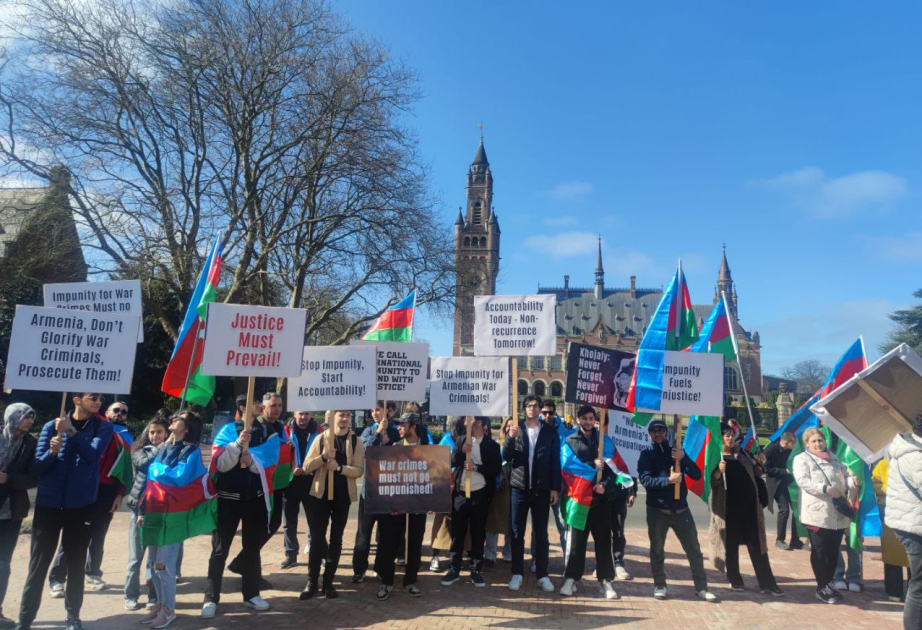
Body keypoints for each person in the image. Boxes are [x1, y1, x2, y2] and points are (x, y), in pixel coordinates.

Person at [16, 392, 114, 630]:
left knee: (76, 564)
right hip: (48, 506)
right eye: (93, 397)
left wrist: (71, 432)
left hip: (80, 507)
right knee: (37, 566)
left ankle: (73, 617)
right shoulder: (52, 426)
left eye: (101, 398)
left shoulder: (103, 427)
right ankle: (25, 619)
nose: (98, 401)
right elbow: (37, 469)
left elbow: (92, 457)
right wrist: (51, 452)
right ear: (76, 400)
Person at [202, 399, 276, 618]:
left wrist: (252, 460)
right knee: (219, 549)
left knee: (252, 549)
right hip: (227, 500)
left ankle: (251, 595)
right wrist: (236, 446)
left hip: (255, 499)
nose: (260, 405)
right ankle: (211, 598)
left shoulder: (267, 431)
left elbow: (270, 461)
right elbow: (220, 464)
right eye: (255, 402)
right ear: (243, 407)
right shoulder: (226, 431)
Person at [48, 396, 127, 596]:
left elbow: (125, 470)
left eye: (124, 412)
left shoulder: (126, 438)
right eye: (116, 410)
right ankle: (57, 578)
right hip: (83, 486)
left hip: (107, 491)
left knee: (98, 534)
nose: (119, 414)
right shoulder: (92, 427)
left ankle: (93, 574)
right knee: (73, 534)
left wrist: (119, 494)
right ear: (107, 413)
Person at [637, 418, 717, 602]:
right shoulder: (646, 455)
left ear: (667, 433)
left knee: (694, 550)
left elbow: (696, 474)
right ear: (650, 435)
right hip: (658, 510)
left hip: (681, 510)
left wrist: (683, 458)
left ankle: (701, 587)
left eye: (661, 431)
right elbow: (647, 481)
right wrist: (669, 481)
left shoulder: (677, 452)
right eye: (654, 431)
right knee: (657, 550)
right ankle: (660, 584)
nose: (658, 434)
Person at [137, 411, 204, 629]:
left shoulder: (192, 451)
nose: (173, 419)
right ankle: (159, 603)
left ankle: (169, 609)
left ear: (188, 427)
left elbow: (180, 478)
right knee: (152, 565)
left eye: (179, 418)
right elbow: (148, 482)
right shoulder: (164, 448)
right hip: (155, 512)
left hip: (174, 516)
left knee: (163, 565)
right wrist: (142, 510)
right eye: (174, 416)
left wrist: (156, 469)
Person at [709, 422, 783, 596]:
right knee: (731, 546)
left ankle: (767, 583)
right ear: (720, 438)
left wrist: (759, 465)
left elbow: (756, 474)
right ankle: (735, 579)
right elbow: (712, 483)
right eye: (726, 435)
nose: (730, 438)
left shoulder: (742, 453)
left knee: (757, 546)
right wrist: (719, 471)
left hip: (749, 509)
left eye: (731, 435)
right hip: (728, 510)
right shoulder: (716, 457)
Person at [299, 409, 364, 599]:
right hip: (320, 496)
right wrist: (323, 457)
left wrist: (340, 468)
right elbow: (306, 466)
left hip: (342, 497)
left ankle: (328, 582)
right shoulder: (321, 439)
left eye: (347, 415)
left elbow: (359, 470)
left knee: (337, 540)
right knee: (317, 540)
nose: (344, 418)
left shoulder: (356, 442)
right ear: (332, 416)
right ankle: (312, 581)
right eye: (341, 414)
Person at [792, 426, 858, 604]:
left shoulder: (834, 458)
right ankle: (822, 587)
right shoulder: (802, 459)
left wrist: (851, 481)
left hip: (837, 513)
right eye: (813, 441)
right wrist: (824, 489)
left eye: (820, 440)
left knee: (833, 551)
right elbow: (803, 481)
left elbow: (843, 476)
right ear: (807, 443)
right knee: (820, 552)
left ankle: (829, 583)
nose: (818, 444)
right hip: (817, 513)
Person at [559, 406, 619, 600]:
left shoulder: (605, 442)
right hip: (579, 500)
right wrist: (593, 467)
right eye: (584, 418)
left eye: (591, 418)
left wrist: (605, 485)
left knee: (603, 542)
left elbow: (614, 471)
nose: (587, 421)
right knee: (576, 543)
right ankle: (571, 578)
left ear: (596, 420)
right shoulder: (569, 441)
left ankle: (606, 581)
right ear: (578, 420)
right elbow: (568, 468)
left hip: (601, 501)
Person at [503, 395, 561, 592]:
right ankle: (517, 573)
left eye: (536, 406)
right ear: (524, 409)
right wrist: (510, 438)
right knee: (517, 533)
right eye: (529, 406)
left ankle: (542, 574)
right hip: (519, 487)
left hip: (542, 489)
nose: (533, 409)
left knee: (541, 533)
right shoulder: (516, 429)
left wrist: (555, 488)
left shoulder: (550, 432)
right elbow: (506, 456)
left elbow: (555, 461)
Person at [227, 392, 286, 589]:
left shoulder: (280, 426)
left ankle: (243, 563)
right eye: (272, 405)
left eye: (279, 405)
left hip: (276, 483)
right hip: (258, 485)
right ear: (263, 407)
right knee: (261, 528)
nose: (276, 408)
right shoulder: (258, 427)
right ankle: (249, 571)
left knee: (272, 524)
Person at [441, 416, 501, 588]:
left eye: (470, 419)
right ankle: (454, 568)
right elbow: (452, 461)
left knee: (478, 533)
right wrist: (461, 451)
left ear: (479, 424)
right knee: (457, 532)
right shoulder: (461, 439)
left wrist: (476, 467)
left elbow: (495, 470)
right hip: (460, 494)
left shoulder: (491, 445)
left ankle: (476, 569)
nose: (465, 422)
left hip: (480, 493)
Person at [373, 413, 427, 601]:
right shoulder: (394, 448)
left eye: (402, 425)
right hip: (395, 508)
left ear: (413, 427)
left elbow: (436, 477)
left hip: (418, 508)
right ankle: (386, 581)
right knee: (389, 544)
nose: (398, 428)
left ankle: (410, 581)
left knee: (414, 545)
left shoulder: (428, 450)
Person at [124, 416, 170, 612]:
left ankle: (153, 595)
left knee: (154, 560)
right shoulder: (140, 451)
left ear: (166, 433)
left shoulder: (171, 453)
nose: (155, 435)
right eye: (152, 432)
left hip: (158, 511)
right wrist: (162, 448)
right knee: (135, 558)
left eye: (159, 432)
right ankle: (131, 595)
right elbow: (145, 465)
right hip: (139, 510)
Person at [352, 401, 399, 583]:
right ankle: (359, 569)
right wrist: (378, 434)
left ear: (389, 411)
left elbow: (405, 454)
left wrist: (391, 441)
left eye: (377, 409)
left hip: (389, 491)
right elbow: (364, 450)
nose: (374, 413)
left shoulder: (396, 431)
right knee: (363, 534)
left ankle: (381, 568)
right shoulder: (368, 431)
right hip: (369, 491)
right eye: (372, 410)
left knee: (386, 535)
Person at [0, 404, 37, 630]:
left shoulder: (30, 444)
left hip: (11, 513)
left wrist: (8, 478)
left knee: (3, 563)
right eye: (26, 417)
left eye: (32, 418)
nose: (30, 421)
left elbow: (33, 478)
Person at [884, 412, 922, 629]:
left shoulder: (908, 446)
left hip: (909, 522)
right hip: (914, 526)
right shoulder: (915, 456)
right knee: (919, 585)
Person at [281, 411, 322, 569]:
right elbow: (278, 453)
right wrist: (293, 467)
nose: (304, 417)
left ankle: (319, 553)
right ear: (294, 413)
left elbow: (325, 455)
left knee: (316, 520)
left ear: (311, 414)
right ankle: (291, 554)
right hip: (291, 482)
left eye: (307, 414)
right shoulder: (284, 430)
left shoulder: (320, 431)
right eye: (301, 414)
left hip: (312, 481)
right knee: (289, 521)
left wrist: (311, 468)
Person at [871, 457, 910, 603]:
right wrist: (890, 488)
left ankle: (914, 590)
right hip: (890, 512)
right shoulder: (883, 464)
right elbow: (873, 484)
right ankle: (894, 590)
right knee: (892, 554)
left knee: (914, 554)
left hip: (911, 513)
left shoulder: (915, 460)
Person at [763, 432, 803, 550]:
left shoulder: (792, 451)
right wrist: (784, 471)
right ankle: (779, 540)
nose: (795, 445)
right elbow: (767, 469)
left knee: (797, 510)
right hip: (777, 484)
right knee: (784, 509)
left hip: (790, 484)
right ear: (786, 442)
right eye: (793, 442)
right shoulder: (771, 450)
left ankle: (795, 540)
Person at [485, 417, 514, 566]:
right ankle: (490, 553)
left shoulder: (521, 445)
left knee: (512, 519)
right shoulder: (497, 444)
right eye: (508, 426)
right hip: (499, 483)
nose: (510, 429)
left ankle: (508, 552)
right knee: (494, 518)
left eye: (513, 426)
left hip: (514, 482)